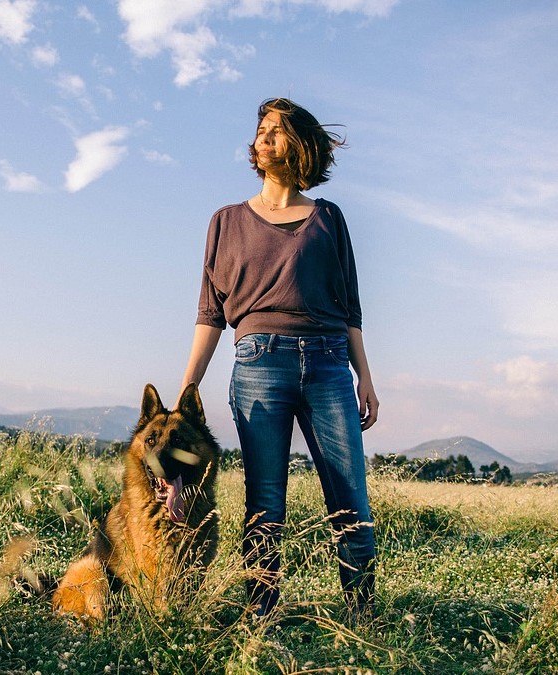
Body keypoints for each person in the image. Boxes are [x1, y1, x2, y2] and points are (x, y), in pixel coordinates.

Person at [180, 97, 378, 619]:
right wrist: (188, 388)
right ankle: (260, 616)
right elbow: (211, 312)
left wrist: (366, 378)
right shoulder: (225, 221)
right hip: (258, 364)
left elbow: (349, 302)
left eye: (276, 130)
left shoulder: (329, 219)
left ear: (300, 143)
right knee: (265, 502)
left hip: (330, 363)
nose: (263, 138)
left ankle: (362, 614)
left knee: (349, 496)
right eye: (260, 130)